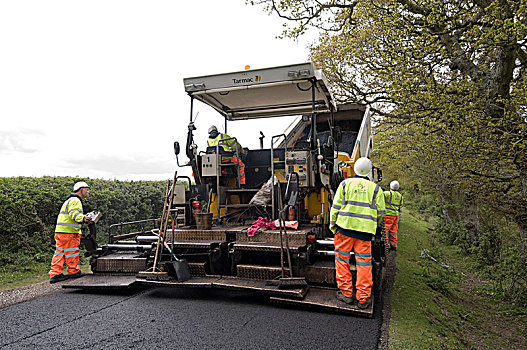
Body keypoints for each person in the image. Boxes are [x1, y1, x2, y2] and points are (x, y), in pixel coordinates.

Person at [330, 157, 385, 309]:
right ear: (369, 171)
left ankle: (346, 294)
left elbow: (335, 208)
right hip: (365, 234)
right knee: (364, 265)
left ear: (354, 169)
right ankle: (363, 298)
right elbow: (380, 213)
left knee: (342, 261)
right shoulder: (376, 189)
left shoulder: (345, 184)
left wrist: (333, 226)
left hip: (344, 230)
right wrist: (372, 225)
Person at [49, 181, 92, 283]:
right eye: (87, 189)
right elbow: (74, 214)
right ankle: (73, 271)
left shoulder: (69, 200)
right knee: (71, 252)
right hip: (69, 233)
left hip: (60, 232)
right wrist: (84, 218)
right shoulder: (76, 201)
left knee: (60, 252)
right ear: (81, 189)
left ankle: (55, 274)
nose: (88, 191)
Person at [384, 180, 404, 250]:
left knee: (385, 230)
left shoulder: (387, 193)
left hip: (387, 215)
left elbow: (379, 197)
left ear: (390, 186)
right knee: (393, 231)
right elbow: (401, 205)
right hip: (395, 215)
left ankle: (386, 245)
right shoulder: (400, 196)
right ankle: (394, 245)